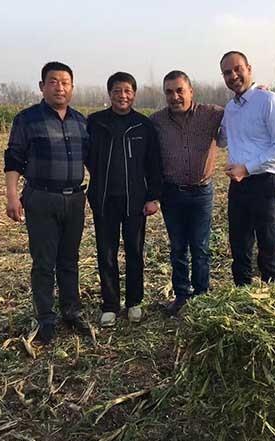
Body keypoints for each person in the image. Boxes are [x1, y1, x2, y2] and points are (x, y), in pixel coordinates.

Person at [4, 61, 90, 345]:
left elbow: (92, 160)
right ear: (42, 86)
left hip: (74, 199)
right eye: (53, 82)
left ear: (72, 87)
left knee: (69, 259)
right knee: (43, 262)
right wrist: (12, 195)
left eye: (65, 82)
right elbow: (14, 158)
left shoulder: (81, 122)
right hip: (41, 198)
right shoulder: (27, 119)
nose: (59, 88)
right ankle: (45, 318)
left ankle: (71, 311)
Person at [85, 72, 162, 327]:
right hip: (104, 200)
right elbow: (87, 157)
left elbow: (154, 164)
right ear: (109, 93)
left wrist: (153, 197)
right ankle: (110, 305)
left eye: (127, 91)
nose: (122, 96)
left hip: (135, 202)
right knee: (106, 253)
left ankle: (134, 302)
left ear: (134, 94)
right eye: (117, 91)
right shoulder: (95, 123)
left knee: (134, 252)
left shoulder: (143, 125)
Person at [150, 71, 224, 315]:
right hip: (171, 193)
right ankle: (181, 295)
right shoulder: (156, 121)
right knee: (178, 247)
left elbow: (241, 110)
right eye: (169, 92)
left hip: (201, 192)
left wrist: (257, 92)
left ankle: (201, 296)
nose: (175, 97)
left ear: (191, 91)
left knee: (200, 247)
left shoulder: (212, 114)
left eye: (180, 90)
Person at [219, 51, 275, 286]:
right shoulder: (230, 109)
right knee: (239, 246)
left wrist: (247, 168)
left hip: (265, 183)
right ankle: (241, 294)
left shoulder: (269, 101)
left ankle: (270, 296)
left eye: (237, 69)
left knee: (268, 245)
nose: (233, 76)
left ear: (249, 69)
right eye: (227, 72)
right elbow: (221, 139)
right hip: (238, 186)